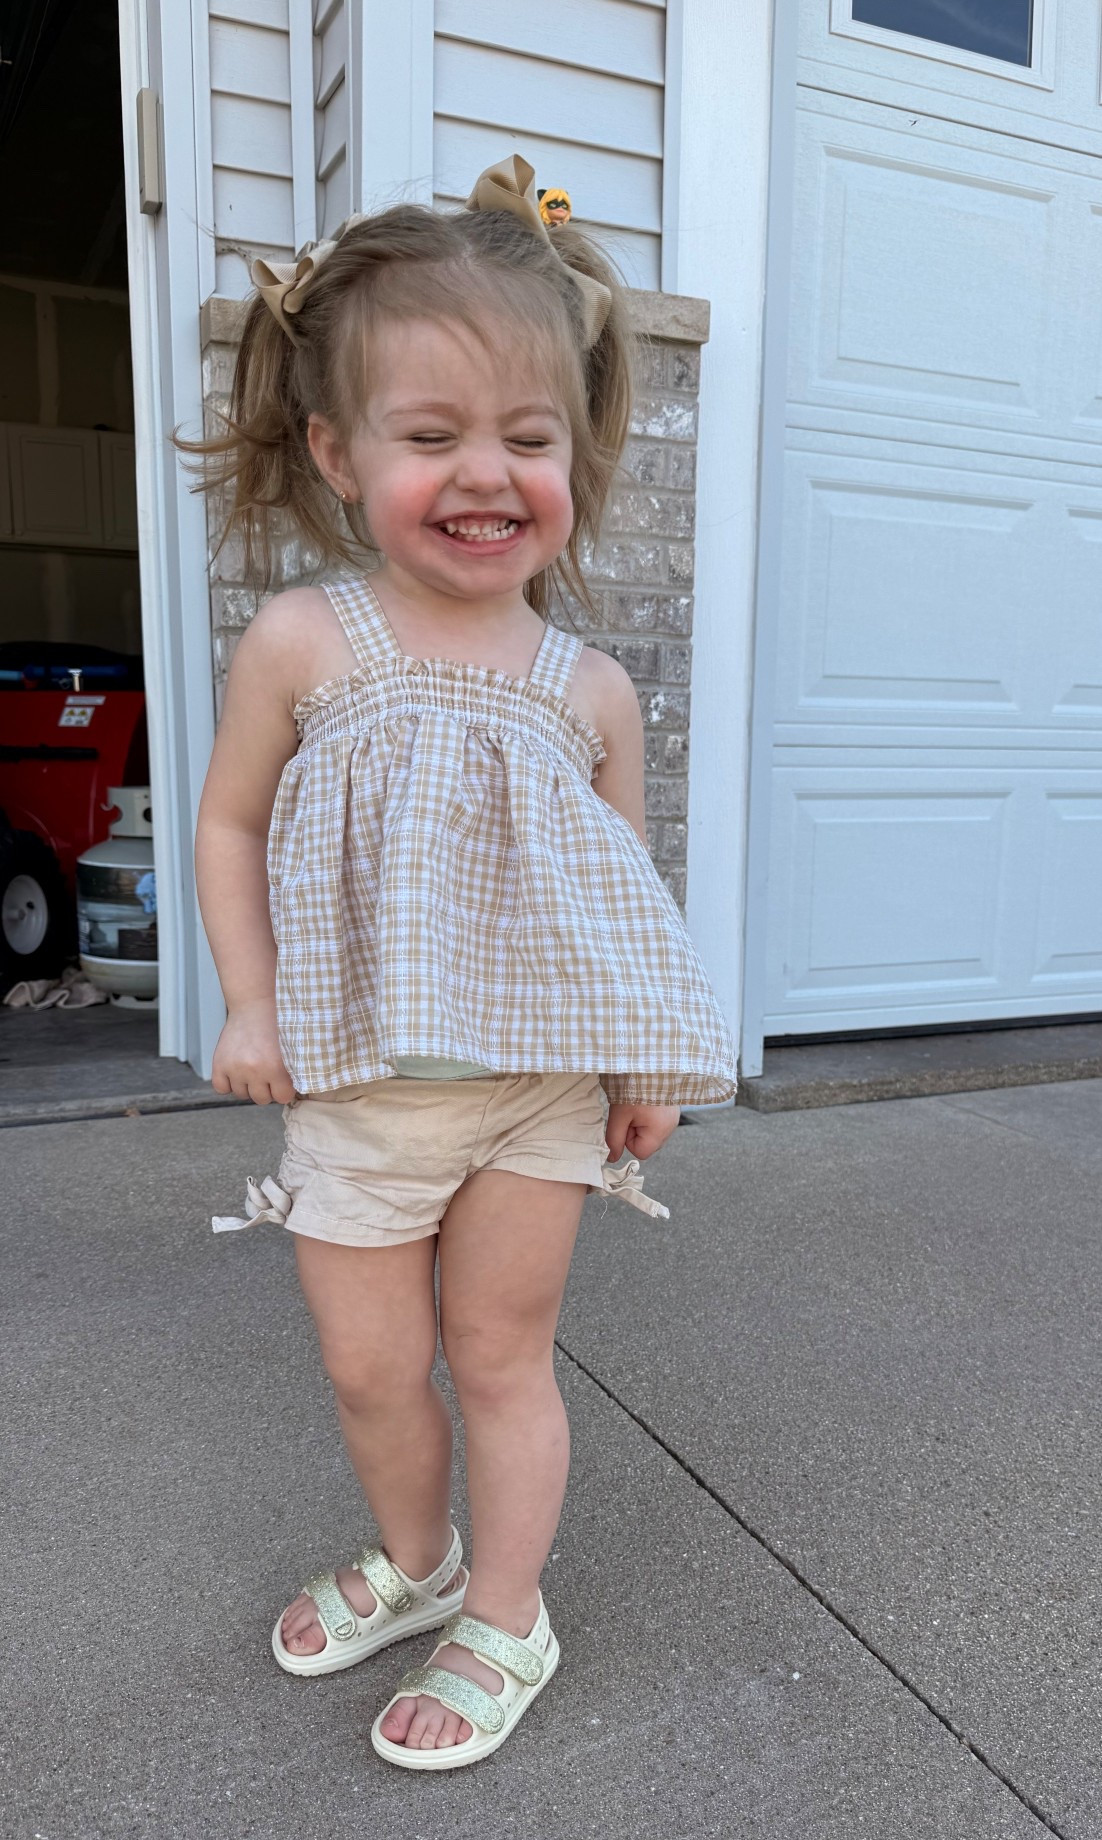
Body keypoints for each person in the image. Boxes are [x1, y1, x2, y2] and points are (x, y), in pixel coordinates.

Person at [191, 154, 737, 1770]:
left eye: (527, 436)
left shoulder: (589, 687)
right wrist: (249, 997)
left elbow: (624, 899)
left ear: (577, 450)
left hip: (536, 1099)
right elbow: (225, 828)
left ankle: (507, 1608)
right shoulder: (307, 641)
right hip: (361, 1090)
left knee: (499, 1358)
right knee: (371, 1370)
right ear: (338, 454)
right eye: (431, 437)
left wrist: (648, 1063)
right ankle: (417, 1564)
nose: (483, 473)